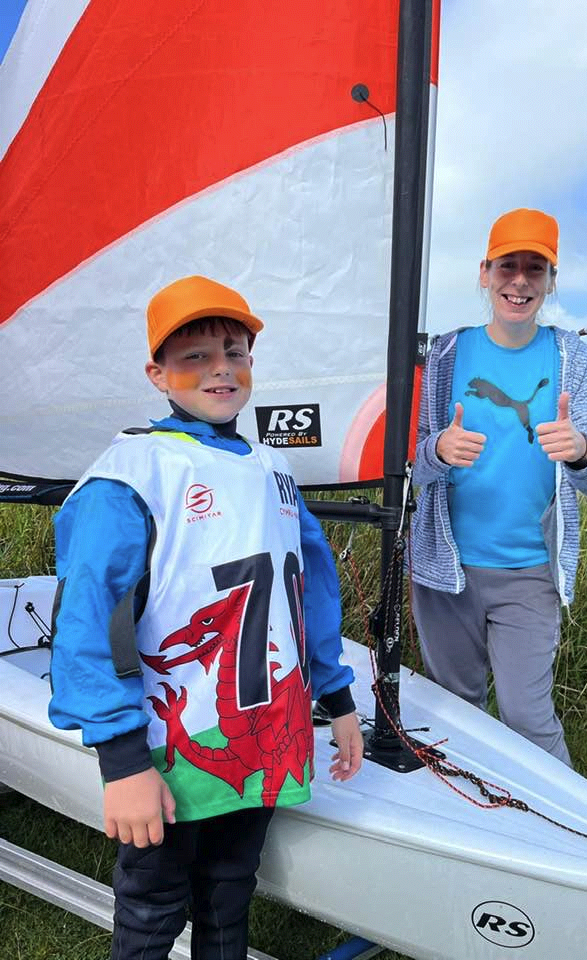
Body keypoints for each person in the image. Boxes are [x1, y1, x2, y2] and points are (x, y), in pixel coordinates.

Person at [49, 275, 364, 960]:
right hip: (172, 746)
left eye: (234, 351)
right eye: (194, 356)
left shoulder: (272, 468)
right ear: (156, 371)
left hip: (266, 733)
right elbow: (85, 621)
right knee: (154, 904)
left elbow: (310, 590)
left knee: (229, 890)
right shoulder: (133, 471)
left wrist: (337, 698)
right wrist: (122, 760)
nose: (220, 367)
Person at [410, 209, 587, 766]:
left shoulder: (574, 357)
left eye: (535, 268)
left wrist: (582, 450)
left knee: (528, 719)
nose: (519, 281)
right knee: (457, 713)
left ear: (551, 281)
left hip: (529, 572)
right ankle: (470, 828)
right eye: (508, 266)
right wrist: (436, 451)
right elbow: (408, 468)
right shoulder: (442, 356)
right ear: (484, 273)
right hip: (445, 572)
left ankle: (569, 839)